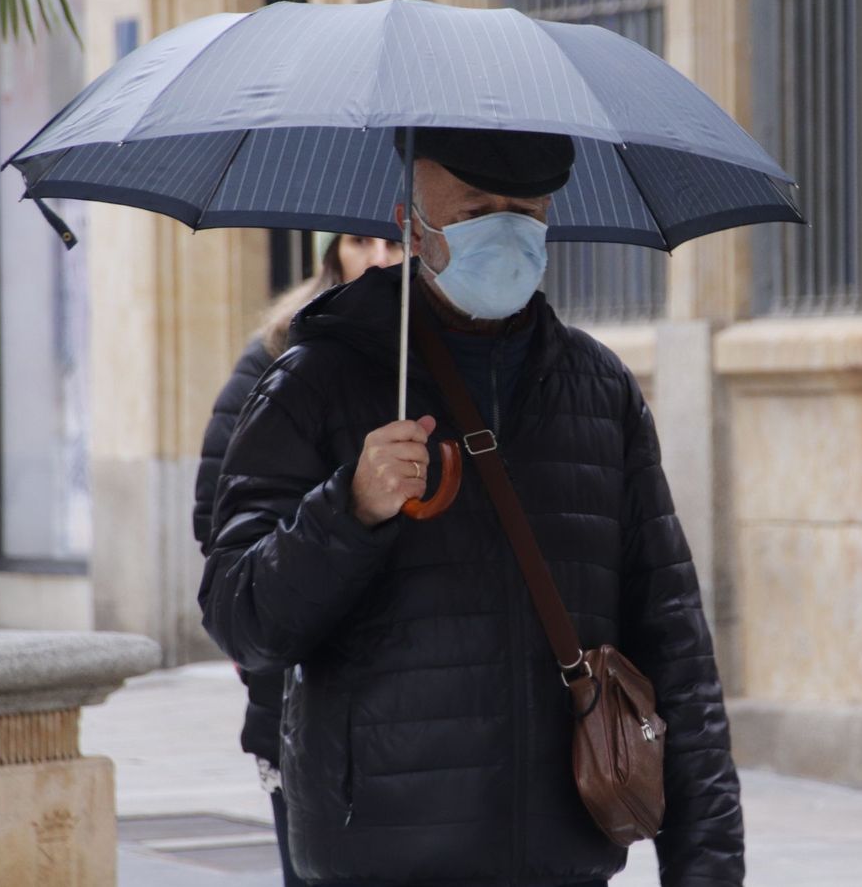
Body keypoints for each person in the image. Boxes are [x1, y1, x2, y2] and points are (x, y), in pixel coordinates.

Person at [199, 126, 744, 887]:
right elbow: (240, 614)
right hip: (382, 860)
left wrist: (708, 868)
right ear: (411, 225)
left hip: (560, 856)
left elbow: (675, 646)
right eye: (477, 208)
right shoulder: (317, 380)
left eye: (524, 210)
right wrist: (348, 510)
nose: (505, 230)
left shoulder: (599, 390)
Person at [193, 230, 404, 887]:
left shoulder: (455, 361)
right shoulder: (279, 356)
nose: (379, 259)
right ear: (331, 250)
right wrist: (348, 508)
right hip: (305, 693)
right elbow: (221, 520)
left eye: (398, 243)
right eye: (363, 240)